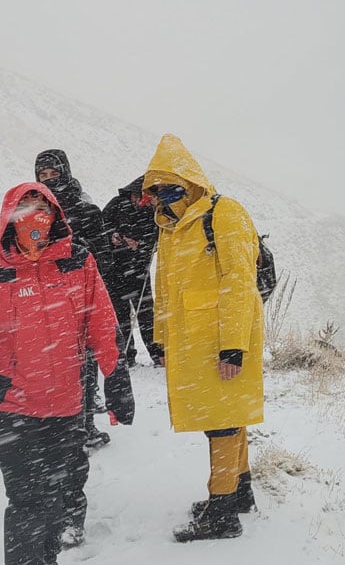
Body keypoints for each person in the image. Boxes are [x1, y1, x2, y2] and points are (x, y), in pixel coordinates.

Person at [0, 182, 133, 565]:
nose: (34, 215)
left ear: (55, 214)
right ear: (11, 214)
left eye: (41, 206)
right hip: (9, 403)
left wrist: (116, 378)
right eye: (26, 206)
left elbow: (102, 324)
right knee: (26, 497)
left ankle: (45, 561)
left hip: (65, 399)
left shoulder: (77, 261)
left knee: (53, 494)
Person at [143, 134, 264, 543]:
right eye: (156, 186)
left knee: (222, 423)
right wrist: (160, 337)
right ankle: (240, 491)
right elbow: (164, 285)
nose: (163, 193)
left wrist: (233, 345)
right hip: (193, 341)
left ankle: (222, 512)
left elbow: (239, 280)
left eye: (169, 183)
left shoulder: (223, 213)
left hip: (222, 338)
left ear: (191, 178)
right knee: (228, 414)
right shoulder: (170, 226)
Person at [35, 149, 116, 449]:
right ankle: (57, 429)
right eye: (43, 176)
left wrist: (76, 253)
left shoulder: (87, 210)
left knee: (85, 366)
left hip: (81, 302)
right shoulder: (35, 212)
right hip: (45, 303)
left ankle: (84, 427)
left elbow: (104, 261)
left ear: (65, 172)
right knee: (53, 367)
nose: (49, 180)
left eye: (54, 173)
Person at [102, 175, 162, 367]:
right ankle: (126, 355)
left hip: (138, 269)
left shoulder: (154, 211)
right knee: (120, 315)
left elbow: (157, 238)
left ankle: (157, 354)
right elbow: (102, 227)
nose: (140, 201)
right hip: (114, 270)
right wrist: (115, 237)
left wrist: (140, 246)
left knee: (146, 314)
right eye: (138, 196)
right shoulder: (117, 204)